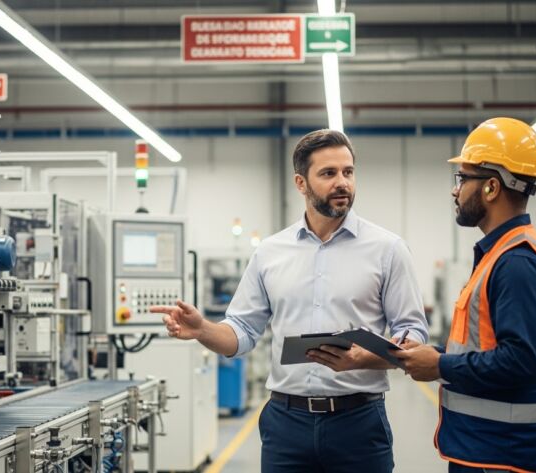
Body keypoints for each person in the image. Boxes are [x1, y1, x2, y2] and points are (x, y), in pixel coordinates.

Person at [151, 129, 428, 473]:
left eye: (348, 172)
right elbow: (241, 332)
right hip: (286, 425)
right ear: (301, 183)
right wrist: (203, 329)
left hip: (358, 423)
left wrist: (364, 359)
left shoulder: (388, 250)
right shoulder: (270, 252)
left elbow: (413, 333)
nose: (342, 182)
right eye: (328, 173)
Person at [392, 117, 536, 473]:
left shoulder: (517, 262)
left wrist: (440, 365)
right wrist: (434, 355)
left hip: (506, 457)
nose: (454, 191)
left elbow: (521, 362)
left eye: (462, 179)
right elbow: (487, 351)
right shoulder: (499, 255)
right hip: (491, 451)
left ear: (491, 187)